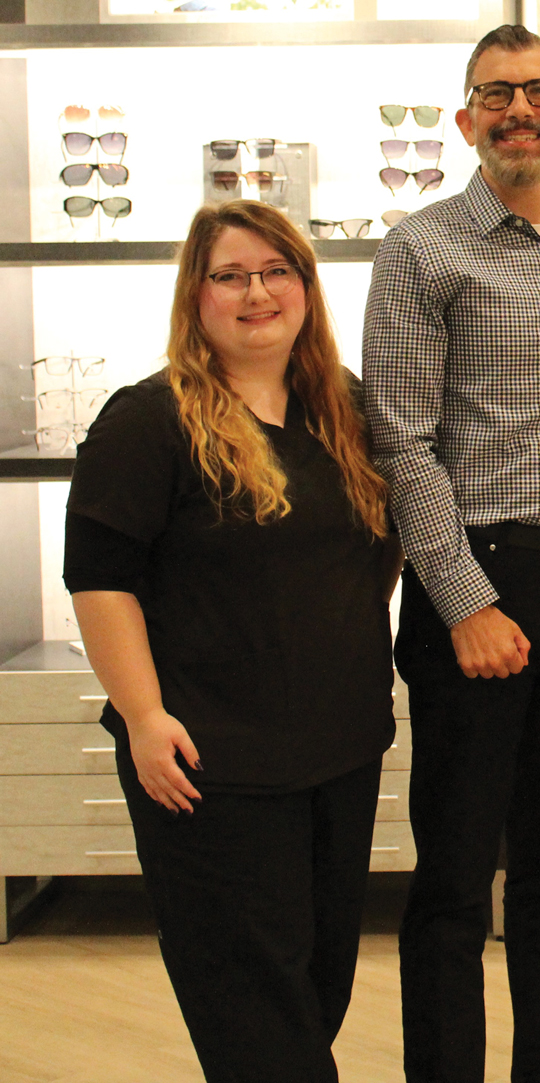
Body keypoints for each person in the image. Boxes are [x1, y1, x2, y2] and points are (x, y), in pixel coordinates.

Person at [362, 23, 540, 1083]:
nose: (518, 111)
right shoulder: (421, 248)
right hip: (475, 584)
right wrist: (465, 600)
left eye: (538, 92)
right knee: (452, 875)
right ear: (466, 119)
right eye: (496, 94)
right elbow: (401, 440)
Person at [64, 199, 398, 1083]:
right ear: (196, 295)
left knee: (317, 988)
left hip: (338, 753)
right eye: (231, 275)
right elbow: (101, 580)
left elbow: (379, 554)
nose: (257, 292)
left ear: (305, 288)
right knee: (251, 1005)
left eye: (275, 271)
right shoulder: (147, 421)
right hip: (210, 765)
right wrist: (141, 715)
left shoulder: (346, 412)